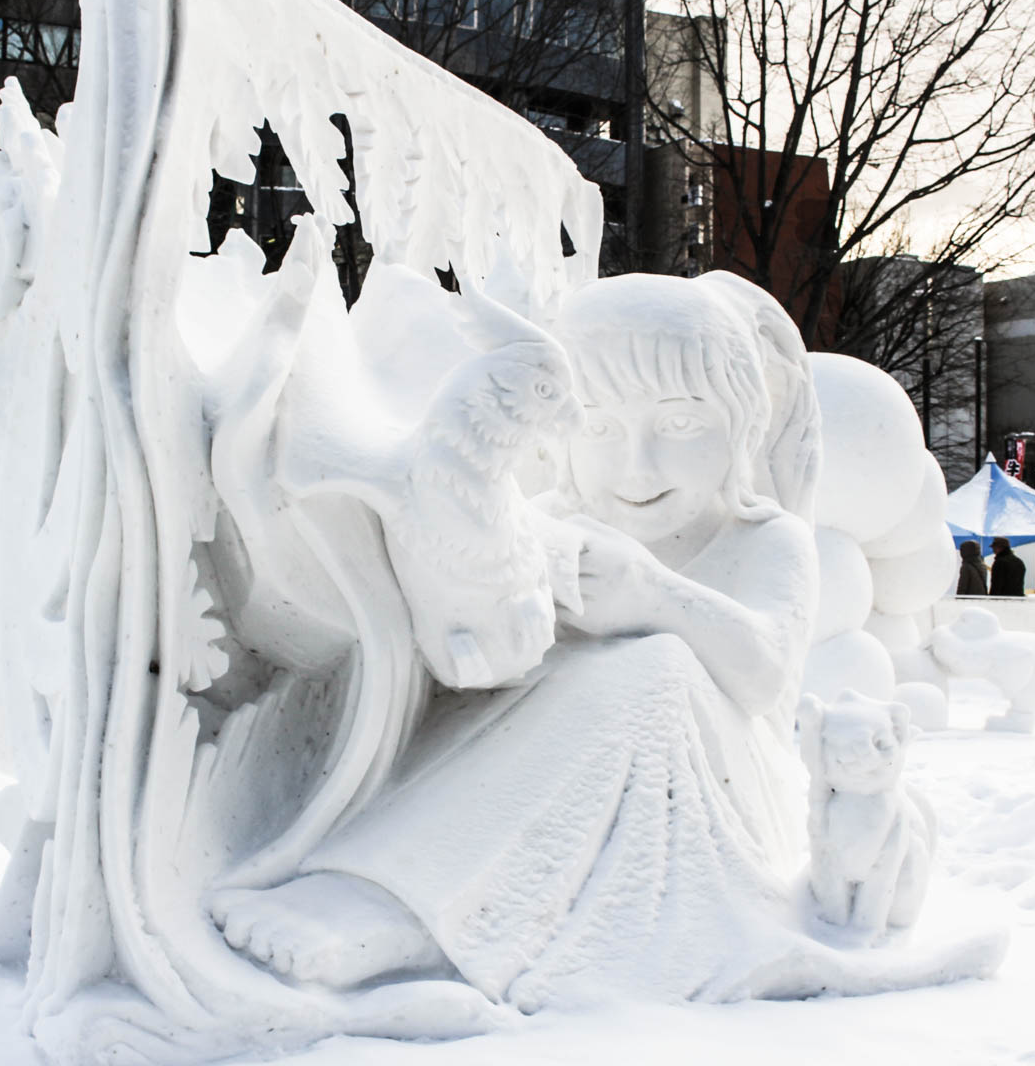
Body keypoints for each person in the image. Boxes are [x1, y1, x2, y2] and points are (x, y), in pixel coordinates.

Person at [211, 272, 823, 1007]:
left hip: (719, 808)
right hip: (535, 776)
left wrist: (657, 596)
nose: (638, 465)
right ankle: (375, 871)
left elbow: (765, 676)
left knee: (655, 668)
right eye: (600, 427)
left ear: (743, 424)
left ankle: (414, 915)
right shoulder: (550, 520)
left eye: (681, 425)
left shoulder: (767, 540)